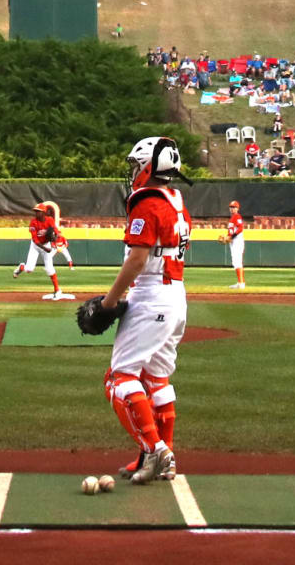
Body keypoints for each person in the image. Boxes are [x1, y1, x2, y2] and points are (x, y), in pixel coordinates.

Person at [100, 136, 192, 485]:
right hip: (176, 295)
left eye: (137, 164)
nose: (134, 171)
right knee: (156, 379)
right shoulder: (175, 198)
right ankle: (159, 454)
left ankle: (156, 450)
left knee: (119, 378)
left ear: (150, 166)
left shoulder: (147, 201)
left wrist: (110, 301)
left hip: (152, 296)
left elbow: (138, 259)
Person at [12, 201, 74, 300]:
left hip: (46, 244)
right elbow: (35, 241)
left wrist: (56, 236)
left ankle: (57, 290)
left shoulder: (49, 220)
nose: (36, 213)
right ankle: (21, 267)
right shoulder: (33, 222)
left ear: (44, 213)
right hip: (36, 246)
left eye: (38, 211)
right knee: (29, 269)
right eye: (35, 211)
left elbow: (55, 230)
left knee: (50, 269)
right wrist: (46, 248)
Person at [221, 199, 246, 289]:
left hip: (237, 241)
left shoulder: (237, 216)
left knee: (237, 261)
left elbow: (240, 228)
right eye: (231, 207)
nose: (232, 209)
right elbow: (232, 231)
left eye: (234, 207)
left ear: (237, 208)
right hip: (234, 241)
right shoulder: (232, 218)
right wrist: (227, 237)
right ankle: (240, 282)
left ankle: (241, 283)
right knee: (236, 262)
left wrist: (231, 237)